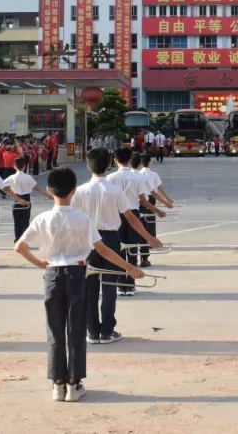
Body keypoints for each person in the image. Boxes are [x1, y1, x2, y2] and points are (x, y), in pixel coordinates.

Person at [14, 166, 145, 403]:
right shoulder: (83, 219)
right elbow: (102, 249)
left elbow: (19, 247)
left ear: (49, 190)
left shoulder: (42, 218)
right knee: (76, 330)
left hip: (52, 274)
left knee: (54, 330)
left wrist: (41, 264)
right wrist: (129, 268)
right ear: (74, 191)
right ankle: (74, 384)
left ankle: (57, 384)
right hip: (76, 273)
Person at [72, 147, 160, 344]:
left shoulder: (80, 191)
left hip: (87, 241)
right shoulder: (114, 191)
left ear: (88, 167)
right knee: (110, 286)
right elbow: (131, 218)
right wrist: (148, 237)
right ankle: (107, 331)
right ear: (109, 165)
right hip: (110, 239)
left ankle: (92, 331)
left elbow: (72, 218)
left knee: (90, 288)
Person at [107, 147, 160, 296]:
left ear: (115, 160)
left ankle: (121, 284)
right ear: (130, 160)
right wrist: (157, 211)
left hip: (117, 214)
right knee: (132, 248)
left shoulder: (110, 178)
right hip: (133, 214)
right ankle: (130, 285)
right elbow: (143, 200)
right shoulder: (138, 178)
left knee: (119, 249)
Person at [2, 156, 54, 243]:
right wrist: (47, 195)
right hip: (26, 199)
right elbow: (37, 189)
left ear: (14, 166)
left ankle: (17, 239)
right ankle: (25, 240)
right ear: (24, 166)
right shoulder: (28, 177)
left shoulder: (11, 177)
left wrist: (9, 194)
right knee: (25, 221)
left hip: (16, 198)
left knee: (17, 221)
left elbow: (3, 186)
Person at [136, 153, 173, 267]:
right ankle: (151, 241)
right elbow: (157, 189)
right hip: (149, 199)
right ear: (149, 163)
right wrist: (166, 200)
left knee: (140, 223)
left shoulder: (137, 174)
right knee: (150, 221)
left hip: (137, 201)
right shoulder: (152, 175)